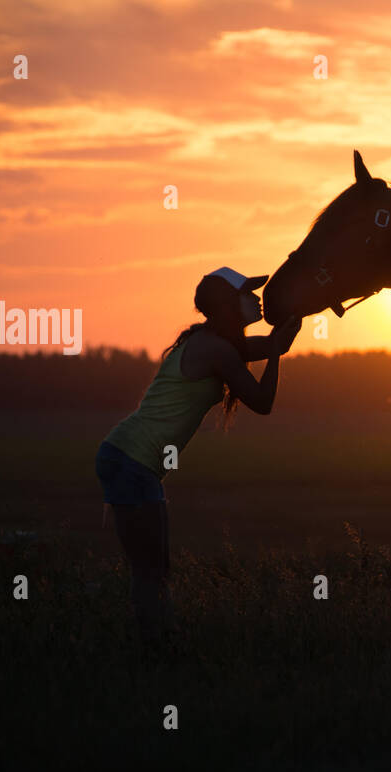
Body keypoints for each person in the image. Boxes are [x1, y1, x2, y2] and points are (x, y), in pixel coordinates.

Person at [94, 267, 301, 644]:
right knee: (151, 570)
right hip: (132, 460)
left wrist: (293, 319)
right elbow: (263, 401)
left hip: (124, 454)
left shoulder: (213, 344)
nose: (256, 299)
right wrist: (273, 353)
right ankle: (159, 647)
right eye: (247, 294)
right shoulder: (217, 350)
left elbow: (274, 345)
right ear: (227, 304)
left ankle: (157, 643)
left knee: (150, 568)